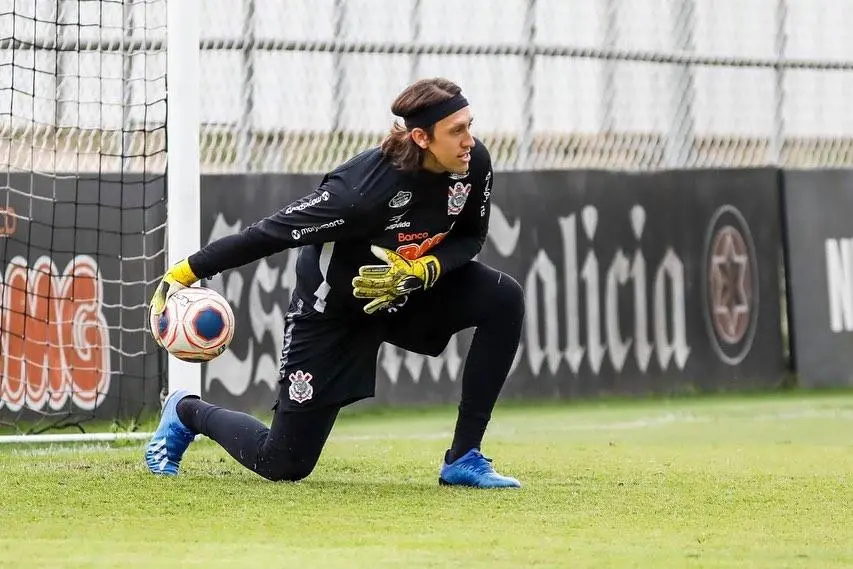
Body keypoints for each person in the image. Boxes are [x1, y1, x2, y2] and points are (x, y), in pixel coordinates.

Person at [145, 77, 525, 488]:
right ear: (421, 137)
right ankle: (186, 411)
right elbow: (269, 233)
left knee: (504, 299)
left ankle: (464, 457)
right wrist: (185, 272)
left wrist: (425, 269)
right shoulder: (358, 195)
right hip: (334, 313)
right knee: (284, 463)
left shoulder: (473, 164)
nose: (470, 139)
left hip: (405, 293)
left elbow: (471, 237)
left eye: (470, 125)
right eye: (457, 130)